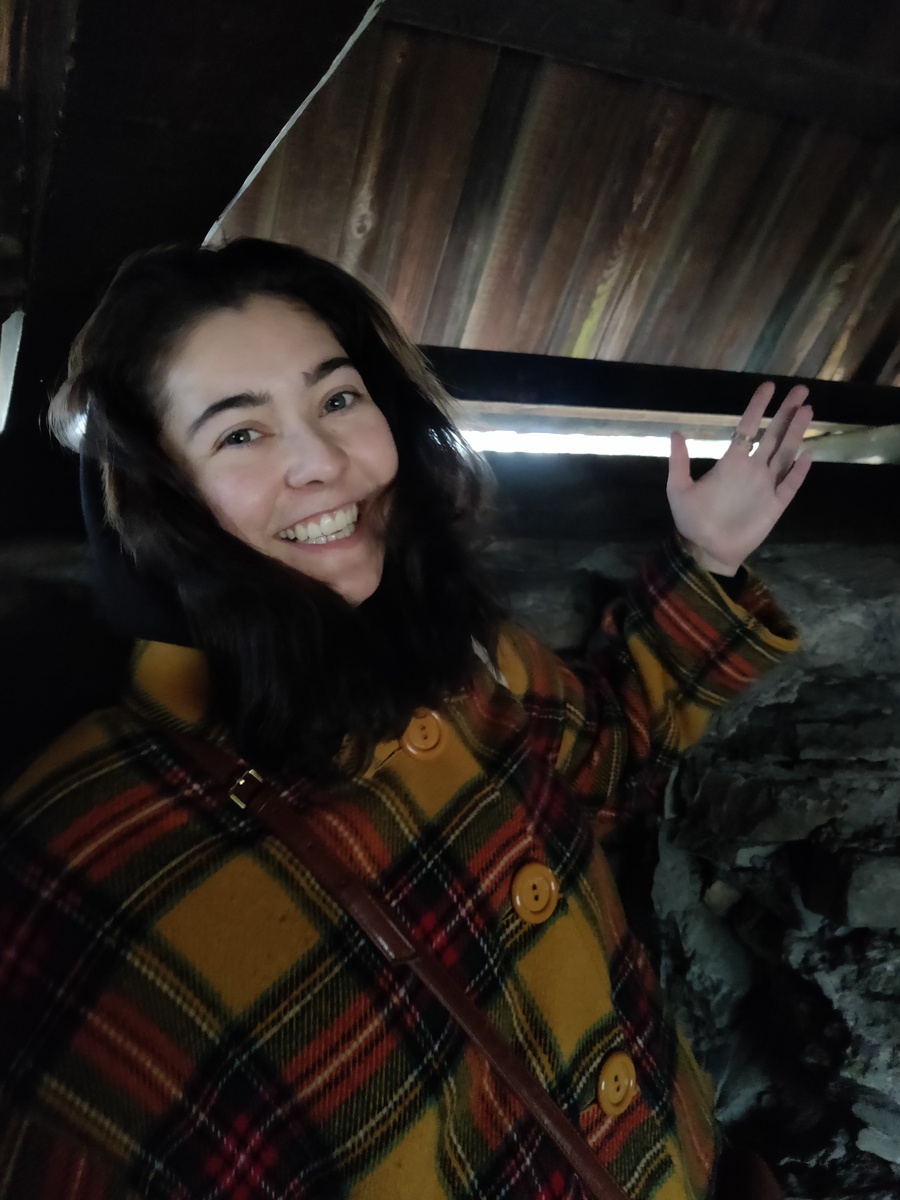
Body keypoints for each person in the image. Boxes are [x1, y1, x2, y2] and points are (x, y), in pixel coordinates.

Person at [0, 238, 811, 1200]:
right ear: (155, 492)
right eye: (240, 434)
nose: (324, 462)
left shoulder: (461, 654)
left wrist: (707, 557)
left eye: (339, 398)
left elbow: (607, 753)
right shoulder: (83, 853)